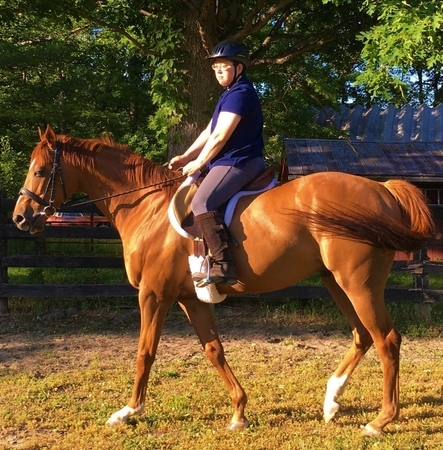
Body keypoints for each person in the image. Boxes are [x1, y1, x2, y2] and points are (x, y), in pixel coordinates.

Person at [169, 40, 265, 287]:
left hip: (239, 161)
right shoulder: (230, 94)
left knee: (202, 201)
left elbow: (221, 137)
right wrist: (187, 156)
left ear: (239, 68)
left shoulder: (240, 94)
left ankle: (223, 265)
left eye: (224, 66)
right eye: (216, 68)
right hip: (228, 161)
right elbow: (210, 131)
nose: (219, 71)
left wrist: (199, 163)